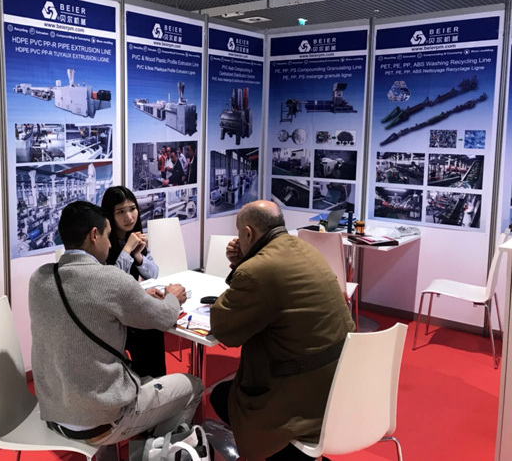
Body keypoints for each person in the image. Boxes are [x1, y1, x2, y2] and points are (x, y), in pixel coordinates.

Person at [29, 201, 202, 446]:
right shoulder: (111, 279)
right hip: (102, 421)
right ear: (94, 235)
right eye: (107, 235)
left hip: (54, 413)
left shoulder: (39, 279)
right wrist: (173, 297)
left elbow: (89, 302)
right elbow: (164, 317)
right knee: (194, 385)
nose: (110, 243)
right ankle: (157, 451)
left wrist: (137, 297)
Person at [209, 201, 354, 460]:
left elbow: (224, 330)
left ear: (248, 233)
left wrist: (244, 265)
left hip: (299, 394)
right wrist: (245, 261)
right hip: (338, 382)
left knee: (221, 397)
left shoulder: (258, 269)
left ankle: (287, 454)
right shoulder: (305, 249)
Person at [101, 186, 166, 378]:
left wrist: (138, 256)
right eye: (120, 212)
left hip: (130, 307)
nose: (129, 217)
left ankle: (156, 383)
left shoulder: (136, 236)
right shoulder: (104, 243)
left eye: (132, 209)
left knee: (154, 326)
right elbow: (113, 283)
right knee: (148, 331)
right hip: (112, 314)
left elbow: (154, 274)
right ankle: (145, 383)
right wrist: (127, 250)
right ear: (110, 215)